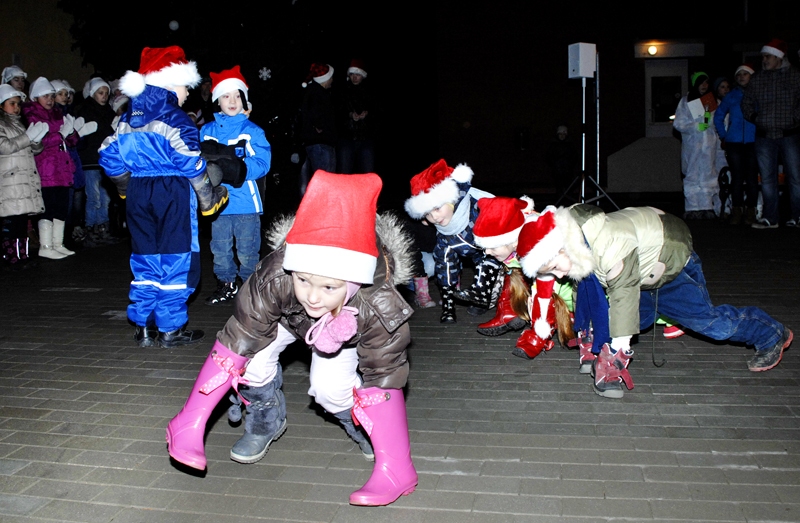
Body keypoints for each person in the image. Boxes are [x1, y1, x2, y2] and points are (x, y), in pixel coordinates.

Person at [166, 171, 418, 506]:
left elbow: (384, 376)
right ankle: (262, 419)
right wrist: (194, 416)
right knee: (249, 361)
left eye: (328, 287)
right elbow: (237, 338)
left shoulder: (376, 303)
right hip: (288, 319)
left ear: (352, 281)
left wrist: (397, 461)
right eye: (303, 280)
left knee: (329, 391)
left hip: (345, 331)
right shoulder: (277, 276)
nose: (313, 297)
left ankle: (385, 455)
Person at [516, 204, 793, 399]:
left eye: (554, 266)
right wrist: (588, 332)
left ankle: (771, 333)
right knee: (630, 319)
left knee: (711, 324)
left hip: (670, 260)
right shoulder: (573, 238)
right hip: (641, 268)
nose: (559, 275)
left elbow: (623, 295)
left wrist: (617, 352)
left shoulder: (608, 246)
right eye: (550, 273)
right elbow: (585, 289)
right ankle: (606, 343)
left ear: (561, 248)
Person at [98, 46, 228, 349]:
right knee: (176, 259)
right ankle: (170, 329)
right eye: (185, 86)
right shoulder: (176, 117)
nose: (187, 93)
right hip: (172, 192)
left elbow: (108, 156)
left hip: (139, 193)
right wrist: (208, 197)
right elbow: (190, 162)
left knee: (145, 260)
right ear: (169, 83)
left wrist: (124, 189)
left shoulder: (128, 117)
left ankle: (143, 326)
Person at [199, 65, 271, 305]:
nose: (232, 100)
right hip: (217, 203)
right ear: (217, 100)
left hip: (245, 204)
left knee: (248, 249)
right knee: (219, 248)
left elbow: (263, 162)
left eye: (237, 95)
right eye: (226, 95)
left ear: (244, 99)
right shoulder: (206, 132)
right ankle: (226, 284)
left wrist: (241, 168)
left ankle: (250, 288)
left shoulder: (252, 131)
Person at [472, 196, 575, 359]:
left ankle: (539, 337)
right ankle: (509, 312)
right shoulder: (515, 242)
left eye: (492, 246)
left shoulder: (538, 249)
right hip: (549, 289)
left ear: (513, 242)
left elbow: (544, 293)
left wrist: (540, 327)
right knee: (512, 273)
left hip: (568, 297)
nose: (487, 252)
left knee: (541, 296)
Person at [404, 159, 502, 323]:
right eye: (428, 213)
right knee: (444, 263)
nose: (434, 217)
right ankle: (449, 306)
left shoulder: (477, 211)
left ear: (451, 201)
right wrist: (448, 305)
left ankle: (482, 297)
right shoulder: (441, 231)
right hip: (453, 241)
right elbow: (444, 266)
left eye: (437, 208)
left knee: (488, 260)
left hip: (484, 248)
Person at [741, 38, 800, 229]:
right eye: (764, 57)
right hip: (764, 135)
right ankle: (770, 218)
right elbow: (746, 102)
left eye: (768, 56)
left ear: (778, 57)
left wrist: (795, 118)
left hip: (789, 133)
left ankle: (797, 216)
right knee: (767, 179)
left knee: (795, 177)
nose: (764, 60)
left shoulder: (795, 76)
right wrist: (755, 116)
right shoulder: (758, 79)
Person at [22, 77, 81, 260]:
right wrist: (60, 136)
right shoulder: (32, 115)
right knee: (48, 206)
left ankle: (58, 243)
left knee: (61, 206)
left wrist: (71, 133)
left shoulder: (57, 113)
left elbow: (72, 140)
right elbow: (39, 141)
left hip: (61, 167)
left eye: (51, 95)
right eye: (45, 96)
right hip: (46, 167)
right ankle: (46, 245)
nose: (49, 99)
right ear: (35, 97)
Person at [0, 84, 47, 269]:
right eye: (12, 103)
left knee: (22, 221)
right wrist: (28, 137)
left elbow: (33, 148)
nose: (17, 107)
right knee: (12, 222)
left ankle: (23, 254)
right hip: (10, 180)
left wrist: (36, 141)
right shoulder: (2, 124)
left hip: (23, 178)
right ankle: (11, 256)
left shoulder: (19, 123)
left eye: (18, 104)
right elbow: (4, 146)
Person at [673, 72, 724, 220]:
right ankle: (692, 207)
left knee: (708, 175)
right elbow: (678, 123)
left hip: (709, 146)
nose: (704, 86)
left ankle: (707, 206)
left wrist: (711, 124)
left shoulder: (713, 102)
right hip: (693, 146)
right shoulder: (685, 101)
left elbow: (721, 122)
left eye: (706, 82)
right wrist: (695, 126)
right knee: (692, 175)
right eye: (701, 82)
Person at [76, 77, 118, 246]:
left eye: (106, 93)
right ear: (93, 93)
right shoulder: (85, 111)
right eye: (101, 93)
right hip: (90, 160)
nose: (104, 96)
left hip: (105, 161)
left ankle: (103, 228)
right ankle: (91, 228)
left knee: (105, 197)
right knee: (94, 197)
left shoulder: (109, 112)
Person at [714, 65, 758, 226]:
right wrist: (724, 136)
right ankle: (736, 210)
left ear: (752, 76)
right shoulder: (731, 96)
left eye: (745, 74)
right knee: (737, 178)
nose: (741, 77)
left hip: (753, 142)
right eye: (739, 74)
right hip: (734, 142)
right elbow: (718, 116)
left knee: (752, 178)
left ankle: (751, 211)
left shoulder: (758, 94)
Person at [299, 63, 337, 193]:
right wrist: (319, 126)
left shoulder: (314, 91)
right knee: (325, 179)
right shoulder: (317, 93)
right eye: (330, 77)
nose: (332, 80)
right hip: (320, 142)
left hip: (318, 142)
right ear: (325, 79)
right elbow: (314, 113)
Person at [337, 59, 376, 174]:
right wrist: (350, 115)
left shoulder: (370, 91)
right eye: (352, 74)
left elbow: (377, 111)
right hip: (346, 137)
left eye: (357, 74)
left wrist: (367, 114)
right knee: (344, 173)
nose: (355, 77)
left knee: (368, 173)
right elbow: (337, 111)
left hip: (366, 138)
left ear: (362, 75)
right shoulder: (342, 90)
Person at [546, 125, 579, 199]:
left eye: (564, 134)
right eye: (560, 134)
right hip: (557, 170)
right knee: (559, 188)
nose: (562, 136)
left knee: (569, 187)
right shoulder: (553, 144)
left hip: (568, 170)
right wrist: (555, 165)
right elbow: (549, 156)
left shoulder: (570, 145)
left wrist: (569, 165)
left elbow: (574, 157)